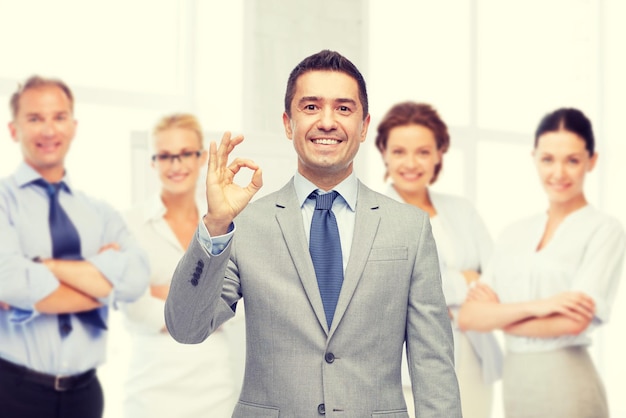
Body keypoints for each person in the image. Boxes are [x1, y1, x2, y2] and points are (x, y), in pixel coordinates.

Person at [164, 50, 462, 417]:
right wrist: (215, 225)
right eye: (310, 107)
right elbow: (186, 327)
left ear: (364, 125)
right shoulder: (245, 225)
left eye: (343, 108)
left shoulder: (410, 228)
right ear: (288, 124)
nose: (327, 122)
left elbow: (434, 365)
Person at [458, 107, 625, 418]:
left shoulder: (604, 229)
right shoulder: (513, 233)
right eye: (548, 159)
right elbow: (468, 317)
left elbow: (574, 321)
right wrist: (541, 306)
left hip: (569, 384)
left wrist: (496, 315)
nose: (558, 173)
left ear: (592, 161)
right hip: (517, 385)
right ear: (534, 157)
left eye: (572, 160)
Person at [0, 75, 150, 418]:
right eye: (35, 118)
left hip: (85, 395)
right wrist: (101, 278)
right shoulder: (3, 202)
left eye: (59, 117)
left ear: (74, 125)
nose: (49, 130)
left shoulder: (99, 212)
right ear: (13, 129)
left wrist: (44, 266)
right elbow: (8, 281)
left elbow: (137, 278)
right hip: (12, 392)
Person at [375, 101, 502, 418]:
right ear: (384, 153)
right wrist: (466, 280)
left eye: (423, 151)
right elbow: (389, 288)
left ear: (438, 154)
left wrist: (442, 291)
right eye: (400, 151)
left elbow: (498, 276)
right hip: (404, 363)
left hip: (473, 354)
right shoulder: (373, 215)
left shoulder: (462, 210)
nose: (411, 163)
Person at [121, 113, 236, 417]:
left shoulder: (225, 221)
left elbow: (238, 299)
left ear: (200, 158)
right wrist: (202, 299)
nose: (176, 165)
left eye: (186, 154)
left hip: (213, 383)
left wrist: (169, 293)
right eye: (166, 156)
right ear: (153, 162)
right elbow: (133, 305)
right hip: (151, 383)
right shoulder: (130, 224)